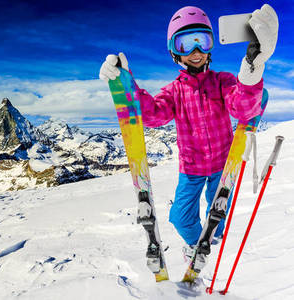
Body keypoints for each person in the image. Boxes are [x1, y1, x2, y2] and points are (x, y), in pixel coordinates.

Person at [99, 5, 278, 260]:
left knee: (217, 217)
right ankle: (198, 243)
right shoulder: (174, 90)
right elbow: (154, 115)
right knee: (181, 218)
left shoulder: (223, 81)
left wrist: (252, 67)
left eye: (202, 42)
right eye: (186, 44)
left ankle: (212, 238)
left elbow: (244, 108)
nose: (196, 52)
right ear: (175, 51)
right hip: (191, 168)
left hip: (223, 165)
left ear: (211, 46)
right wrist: (126, 87)